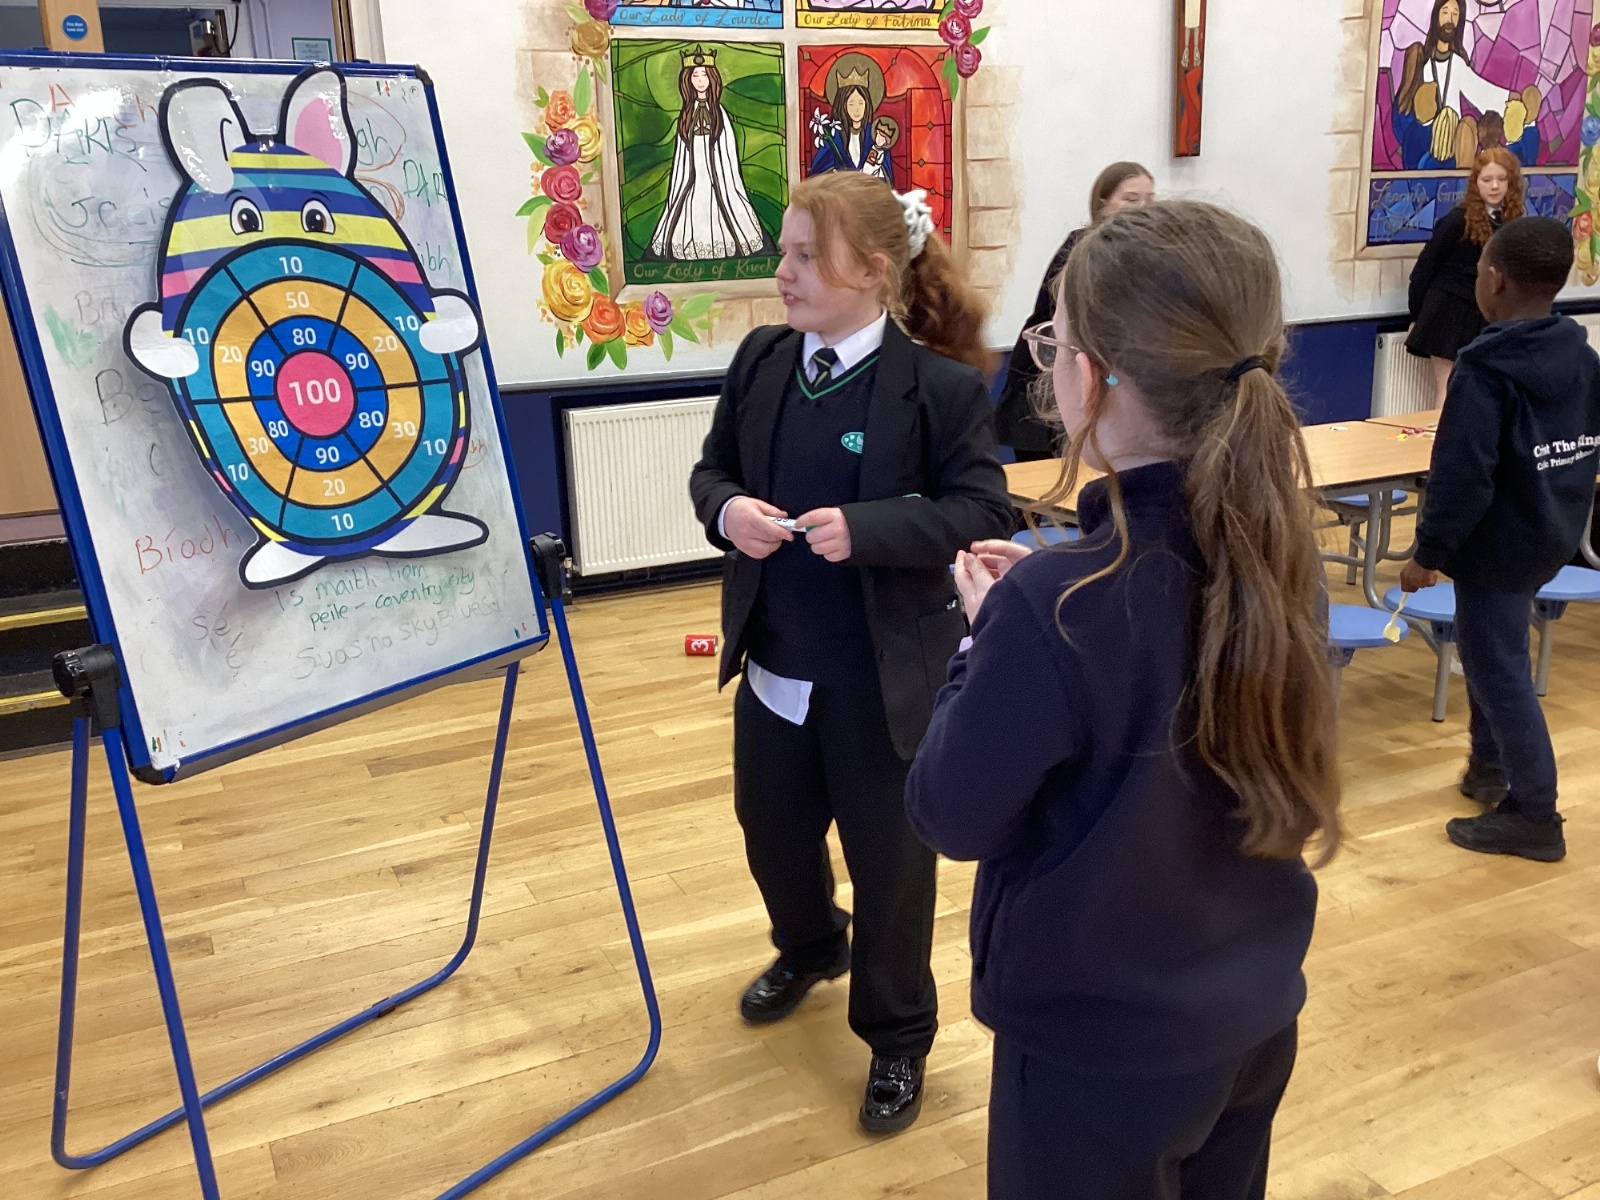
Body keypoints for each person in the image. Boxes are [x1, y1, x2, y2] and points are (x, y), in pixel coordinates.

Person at [906, 200, 1340, 1197]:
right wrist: (1034, 605)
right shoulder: (1281, 560)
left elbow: (949, 813)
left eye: (1053, 342)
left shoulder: (1049, 608)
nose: (1048, 362)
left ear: (1090, 378)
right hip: (1253, 1015)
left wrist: (981, 639)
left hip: (1097, 1051)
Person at [688, 173, 1011, 1134]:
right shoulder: (761, 360)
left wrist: (867, 529)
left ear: (872, 271)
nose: (781, 272)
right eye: (783, 252)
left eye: (803, 255)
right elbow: (711, 470)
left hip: (885, 684)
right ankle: (809, 946)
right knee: (771, 834)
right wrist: (725, 511)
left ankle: (898, 1035)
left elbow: (982, 509)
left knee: (892, 873)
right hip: (776, 669)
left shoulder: (940, 389)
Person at [1400, 216, 1600, 863]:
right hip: (1550, 532)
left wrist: (1427, 554)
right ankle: (1489, 768)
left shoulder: (1483, 370)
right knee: (1494, 654)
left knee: (1500, 672)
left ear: (1494, 280)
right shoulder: (1580, 354)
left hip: (1497, 546)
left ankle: (1536, 814)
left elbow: (1462, 475)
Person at [994, 162, 1155, 461]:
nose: (1143, 208)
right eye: (1131, 199)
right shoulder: (1083, 248)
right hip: (1047, 380)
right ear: (1103, 204)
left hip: (1092, 381)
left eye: (1149, 199)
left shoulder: (1141, 255)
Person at [1406, 146, 1524, 405]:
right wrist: (1416, 315)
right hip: (1448, 310)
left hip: (1484, 312)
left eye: (1501, 179)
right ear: (1475, 183)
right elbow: (1425, 268)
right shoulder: (1457, 219)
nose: (1494, 186)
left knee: (1480, 389)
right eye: (1487, 180)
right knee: (1449, 387)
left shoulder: (1512, 221)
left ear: (1512, 183)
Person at [648, 45, 772, 262]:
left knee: (723, 205)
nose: (700, 80)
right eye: (695, 75)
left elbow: (727, 150)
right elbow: (682, 154)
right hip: (693, 172)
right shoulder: (686, 115)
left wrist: (721, 173)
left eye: (704, 75)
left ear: (712, 78)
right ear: (688, 80)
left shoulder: (720, 114)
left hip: (717, 173)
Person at [1392, 0, 1541, 170]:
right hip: (1428, 144)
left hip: (1455, 145)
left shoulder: (1457, 63)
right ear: (1435, 16)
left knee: (1467, 128)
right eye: (1445, 12)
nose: (1450, 19)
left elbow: (1479, 91)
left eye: (1455, 14)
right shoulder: (1421, 63)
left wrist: (1509, 100)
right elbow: (1406, 108)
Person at [810, 54, 890, 182]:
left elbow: (886, 176)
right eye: (851, 104)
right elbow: (819, 173)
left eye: (861, 103)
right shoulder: (833, 135)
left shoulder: (875, 134)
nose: (857, 109)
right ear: (843, 106)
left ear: (867, 105)